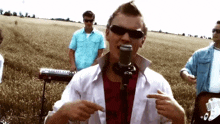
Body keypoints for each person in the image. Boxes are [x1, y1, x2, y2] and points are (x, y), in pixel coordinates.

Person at [45, 1, 186, 124]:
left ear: (143, 40)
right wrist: (63, 113)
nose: (125, 38)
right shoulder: (82, 80)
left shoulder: (159, 85)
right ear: (107, 34)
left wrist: (180, 118)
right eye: (118, 30)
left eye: (134, 34)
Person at [180, 20, 220, 95]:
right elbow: (186, 69)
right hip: (203, 100)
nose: (214, 33)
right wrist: (186, 75)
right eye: (213, 30)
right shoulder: (200, 53)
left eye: (218, 31)